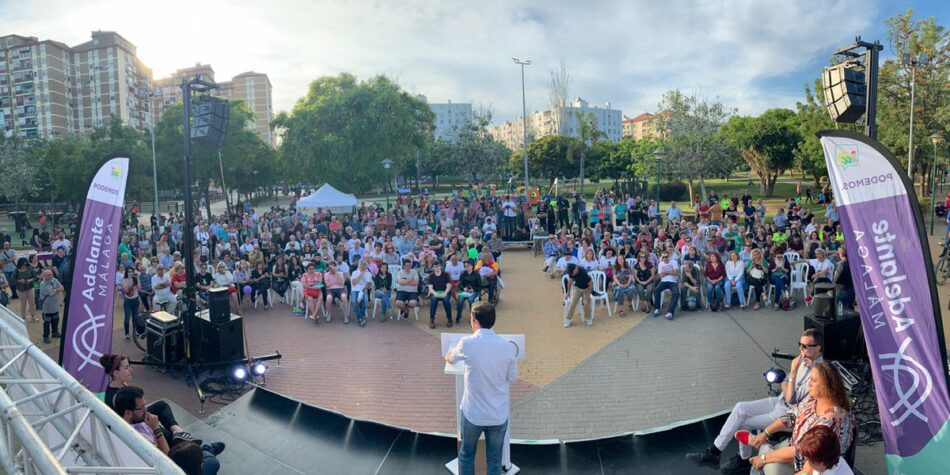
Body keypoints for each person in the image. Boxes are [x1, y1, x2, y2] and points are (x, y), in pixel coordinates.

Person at [686, 329, 825, 473]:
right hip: (778, 401)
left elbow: (792, 399)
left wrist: (791, 374)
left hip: (788, 413)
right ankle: (714, 451)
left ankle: (743, 460)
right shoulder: (803, 359)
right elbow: (786, 384)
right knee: (740, 407)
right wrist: (784, 378)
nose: (800, 349)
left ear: (818, 348)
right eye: (799, 344)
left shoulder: (818, 372)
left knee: (743, 424)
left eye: (805, 346)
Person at [444, 302, 518, 475]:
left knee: (466, 455)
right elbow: (512, 377)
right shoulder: (507, 347)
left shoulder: (466, 343)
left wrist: (448, 355)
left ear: (475, 321)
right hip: (497, 415)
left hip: (473, 415)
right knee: (494, 459)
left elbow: (451, 358)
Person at [749, 361, 853, 475]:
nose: (808, 384)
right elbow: (792, 415)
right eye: (809, 379)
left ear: (827, 385)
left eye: (813, 380)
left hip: (809, 464)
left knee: (769, 467)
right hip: (793, 447)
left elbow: (803, 457)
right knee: (763, 458)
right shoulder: (814, 397)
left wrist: (765, 458)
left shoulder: (832, 423)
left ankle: (762, 448)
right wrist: (766, 433)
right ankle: (761, 445)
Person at [37, 269, 64, 343]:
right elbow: (51, 294)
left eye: (51, 274)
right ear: (44, 276)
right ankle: (46, 336)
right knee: (47, 323)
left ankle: (55, 333)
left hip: (55, 305)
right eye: (48, 275)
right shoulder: (42, 284)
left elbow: (62, 287)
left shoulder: (54, 279)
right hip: (47, 307)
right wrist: (57, 290)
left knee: (56, 320)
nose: (50, 276)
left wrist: (56, 290)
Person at [563, 263, 593, 328]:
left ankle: (588, 318)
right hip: (577, 288)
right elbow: (570, 281)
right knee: (573, 302)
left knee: (586, 303)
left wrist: (588, 295)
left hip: (586, 289)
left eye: (573, 273)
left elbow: (590, 283)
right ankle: (568, 319)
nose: (572, 275)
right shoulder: (571, 272)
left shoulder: (583, 273)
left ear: (576, 268)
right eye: (571, 274)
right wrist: (568, 292)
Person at [652, 251, 680, 320]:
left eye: (666, 256)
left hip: (673, 282)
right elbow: (660, 275)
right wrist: (671, 272)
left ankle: (670, 312)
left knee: (676, 293)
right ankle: (657, 309)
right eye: (663, 257)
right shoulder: (660, 264)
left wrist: (665, 272)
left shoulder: (674, 262)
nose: (665, 258)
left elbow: (676, 272)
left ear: (669, 256)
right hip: (663, 281)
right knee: (656, 290)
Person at [427, 261, 453, 328]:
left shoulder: (445, 275)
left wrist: (445, 293)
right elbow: (430, 288)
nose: (437, 268)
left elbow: (448, 286)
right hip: (435, 292)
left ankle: (449, 319)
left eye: (438, 266)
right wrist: (435, 293)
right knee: (434, 299)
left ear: (440, 267)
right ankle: (431, 319)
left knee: (446, 300)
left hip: (445, 292)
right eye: (435, 266)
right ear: (433, 268)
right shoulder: (431, 276)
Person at [349, 260, 373, 327]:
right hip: (354, 290)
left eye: (365, 266)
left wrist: (362, 290)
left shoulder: (369, 274)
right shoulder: (355, 273)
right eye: (362, 266)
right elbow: (353, 284)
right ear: (359, 266)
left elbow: (368, 285)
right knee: (354, 301)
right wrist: (360, 276)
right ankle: (360, 318)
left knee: (366, 302)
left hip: (363, 290)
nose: (363, 268)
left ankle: (359, 317)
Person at [121, 267, 141, 340]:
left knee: (135, 317)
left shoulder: (135, 279)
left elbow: (139, 288)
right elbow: (126, 290)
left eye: (131, 271)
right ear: (126, 272)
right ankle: (127, 333)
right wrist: (131, 282)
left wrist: (137, 279)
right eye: (129, 271)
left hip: (136, 300)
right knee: (127, 317)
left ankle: (135, 331)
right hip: (128, 301)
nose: (130, 273)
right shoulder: (124, 280)